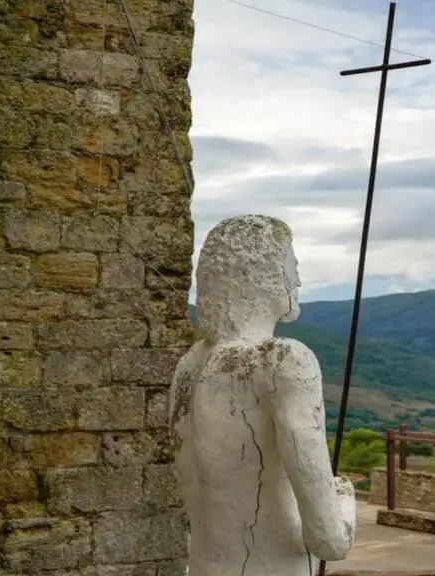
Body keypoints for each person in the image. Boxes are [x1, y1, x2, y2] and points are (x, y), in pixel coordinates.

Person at [169, 215, 356, 576]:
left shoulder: (189, 366)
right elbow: (329, 540)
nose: (297, 279)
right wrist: (345, 498)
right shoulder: (283, 359)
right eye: (291, 264)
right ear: (261, 274)